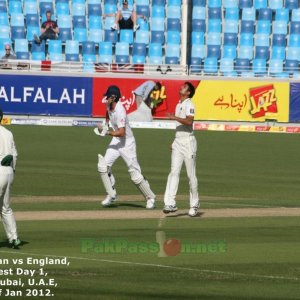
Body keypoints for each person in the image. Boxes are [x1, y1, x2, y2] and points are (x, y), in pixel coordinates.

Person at [95, 85, 156, 209]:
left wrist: (106, 132)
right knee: (103, 166)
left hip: (127, 143)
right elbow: (107, 115)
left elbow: (122, 132)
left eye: (107, 96)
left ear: (113, 97)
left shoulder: (120, 110)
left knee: (135, 174)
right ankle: (111, 194)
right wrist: (105, 125)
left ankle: (150, 198)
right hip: (116, 140)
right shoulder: (109, 106)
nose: (105, 98)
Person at [163, 82, 200, 217]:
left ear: (188, 92)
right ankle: (170, 203)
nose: (181, 87)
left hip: (188, 142)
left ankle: (194, 204)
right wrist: (174, 142)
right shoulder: (178, 104)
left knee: (191, 175)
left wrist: (174, 117)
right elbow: (179, 127)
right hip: (178, 142)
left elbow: (190, 121)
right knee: (174, 172)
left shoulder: (189, 104)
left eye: (184, 87)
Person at [0, 109, 21, 248]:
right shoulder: (8, 133)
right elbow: (15, 155)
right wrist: (11, 171)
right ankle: (14, 238)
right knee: (6, 208)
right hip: (8, 172)